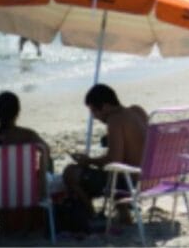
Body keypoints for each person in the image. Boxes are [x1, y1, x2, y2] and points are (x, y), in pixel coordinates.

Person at [63, 85, 147, 214]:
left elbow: (114, 161)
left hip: (130, 182)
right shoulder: (137, 111)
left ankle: (91, 215)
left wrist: (88, 161)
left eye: (94, 111)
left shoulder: (115, 120)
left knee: (70, 173)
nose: (94, 117)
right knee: (111, 172)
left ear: (105, 106)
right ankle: (124, 213)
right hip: (149, 178)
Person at [0, 92, 52, 235]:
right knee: (32, 178)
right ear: (18, 112)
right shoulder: (28, 135)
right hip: (28, 191)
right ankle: (26, 225)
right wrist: (41, 179)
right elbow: (46, 150)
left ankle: (5, 227)